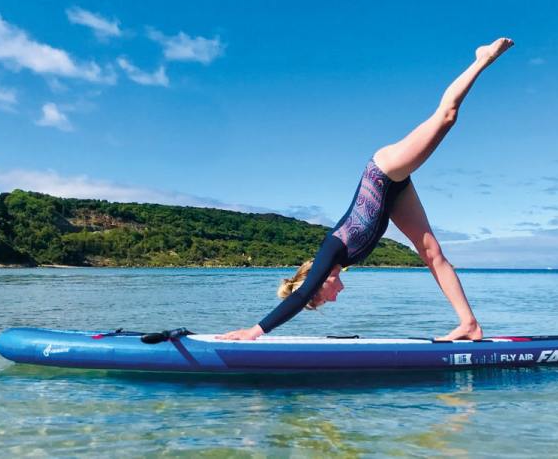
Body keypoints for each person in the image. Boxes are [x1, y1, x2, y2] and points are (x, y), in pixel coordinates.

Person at [219, 37, 514, 341]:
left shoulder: (331, 250)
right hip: (393, 195)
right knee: (431, 253)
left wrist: (254, 331)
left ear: (319, 284)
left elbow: (299, 295)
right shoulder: (344, 259)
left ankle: (483, 58)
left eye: (323, 299)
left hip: (383, 172)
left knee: (447, 116)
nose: (332, 299)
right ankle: (469, 324)